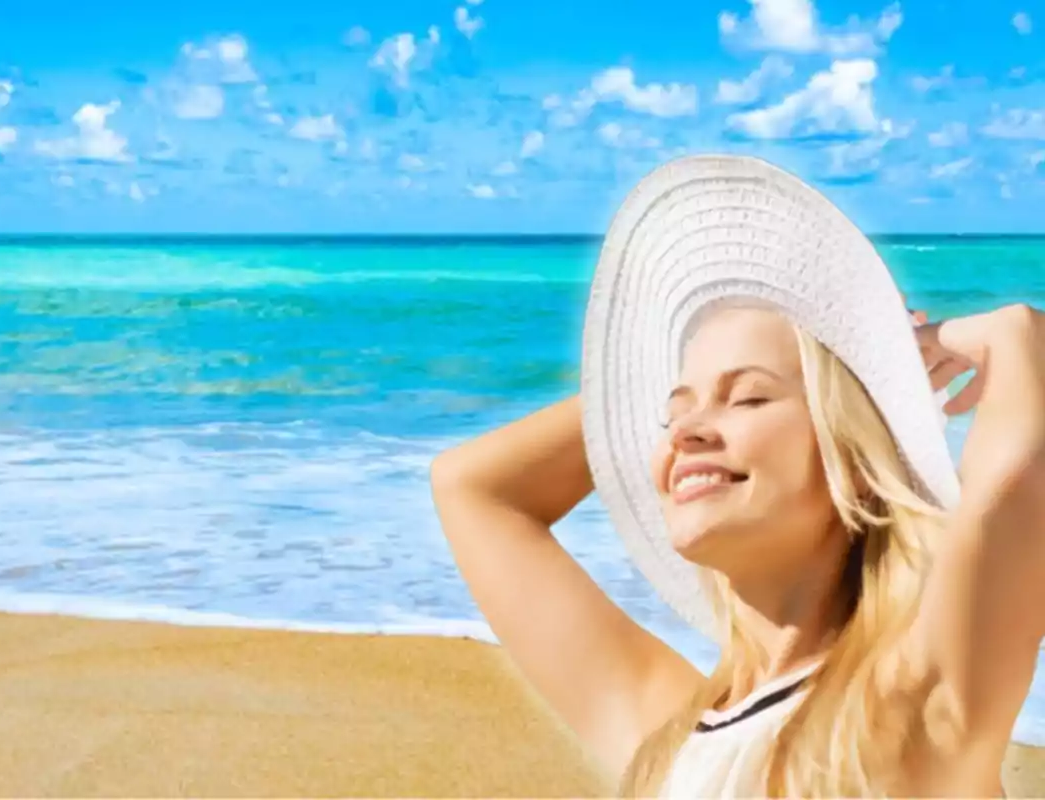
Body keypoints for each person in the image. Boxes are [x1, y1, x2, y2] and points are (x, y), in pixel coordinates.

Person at [429, 155, 1045, 797]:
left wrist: (889, 359)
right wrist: (634, 392)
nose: (686, 431)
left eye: (749, 398)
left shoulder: (911, 704)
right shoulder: (668, 735)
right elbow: (473, 489)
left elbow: (1019, 396)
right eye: (673, 413)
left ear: (858, 462)